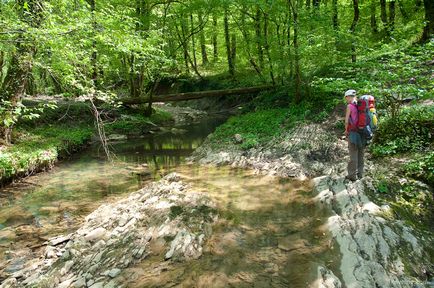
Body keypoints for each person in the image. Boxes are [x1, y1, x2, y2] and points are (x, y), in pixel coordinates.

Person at [344, 89, 365, 181]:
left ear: (348, 97)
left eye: (346, 97)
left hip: (353, 133)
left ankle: (352, 175)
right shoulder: (360, 105)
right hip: (362, 132)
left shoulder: (350, 106)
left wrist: (346, 130)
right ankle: (360, 174)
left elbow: (346, 121)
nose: (346, 99)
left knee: (353, 153)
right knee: (360, 153)